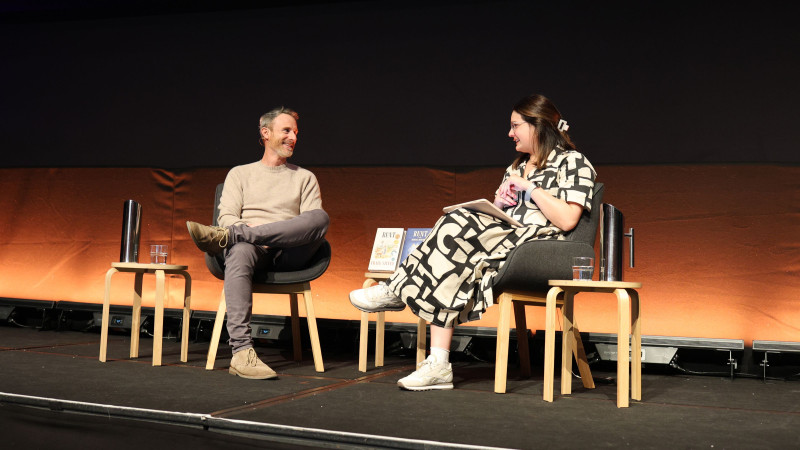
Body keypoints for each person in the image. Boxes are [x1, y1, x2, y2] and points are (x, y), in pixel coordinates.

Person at [349, 94, 596, 391]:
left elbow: (569, 219)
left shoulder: (573, 162)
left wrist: (530, 189)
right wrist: (498, 204)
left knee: (455, 225)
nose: (510, 133)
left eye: (515, 125)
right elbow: (500, 213)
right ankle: (438, 364)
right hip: (506, 237)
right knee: (450, 249)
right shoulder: (516, 166)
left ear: (537, 126)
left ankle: (398, 289)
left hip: (540, 244)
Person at [186, 107, 329, 380]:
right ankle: (241, 352)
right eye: (286, 131)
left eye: (296, 133)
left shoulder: (305, 177)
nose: (293, 138)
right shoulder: (240, 174)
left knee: (320, 218)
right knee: (239, 250)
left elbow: (312, 225)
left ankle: (241, 237)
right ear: (266, 133)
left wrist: (252, 231)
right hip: (252, 252)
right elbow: (226, 216)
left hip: (290, 252)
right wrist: (247, 235)